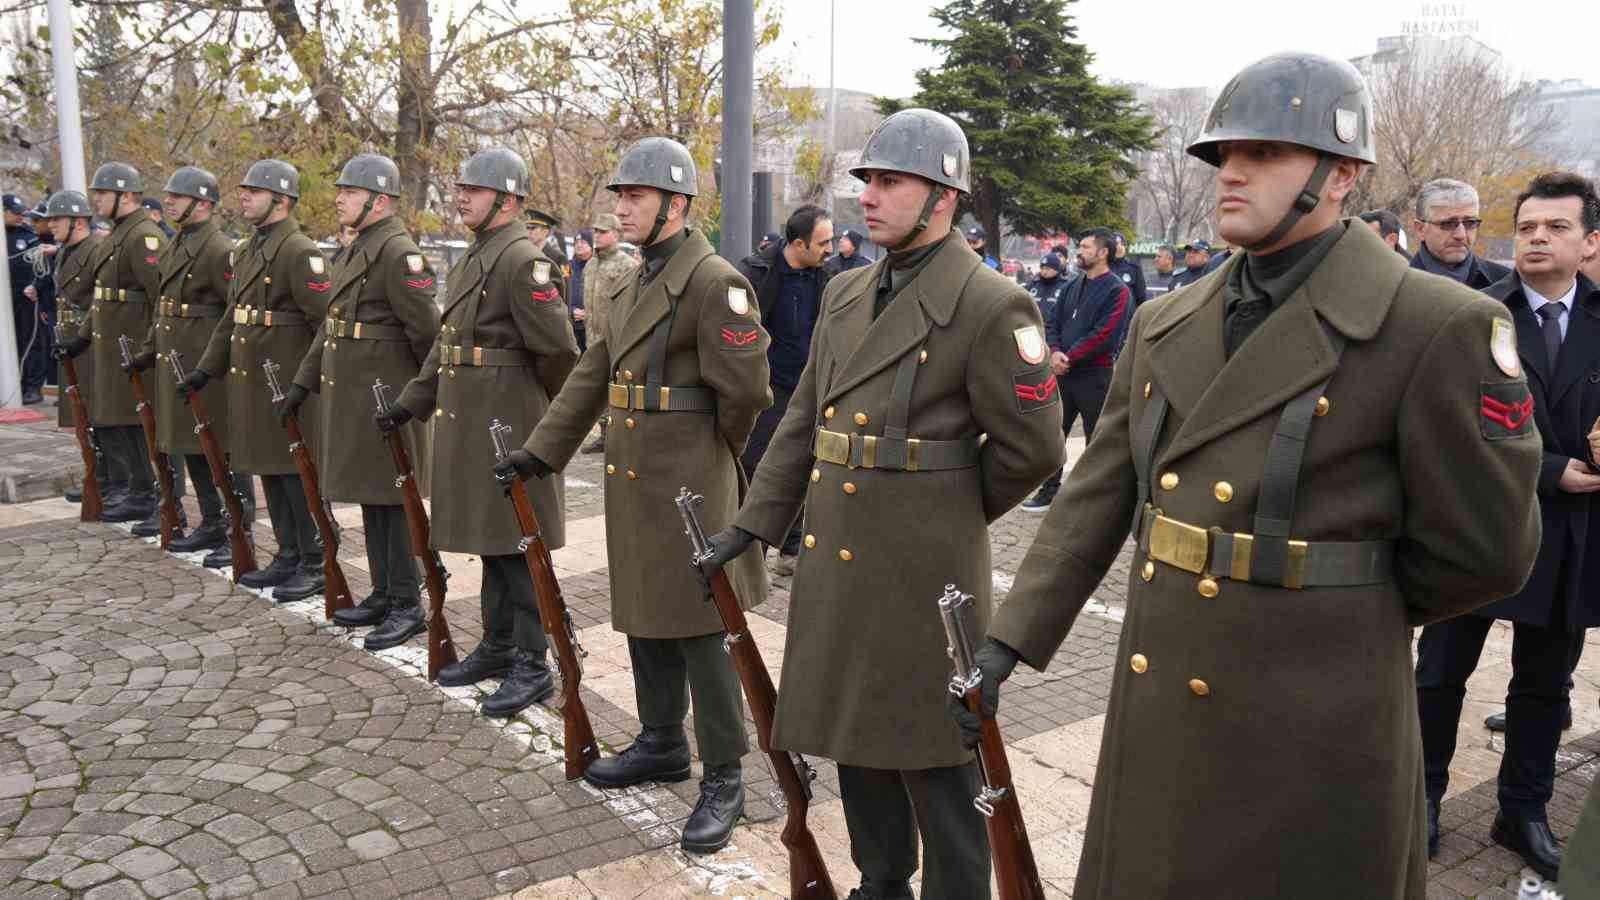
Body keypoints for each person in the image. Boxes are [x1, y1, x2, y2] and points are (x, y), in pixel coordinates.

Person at [964, 52, 1543, 900]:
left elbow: (1485, 551)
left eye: (1265, 153)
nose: (1230, 173)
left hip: (1316, 719)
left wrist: (1338, 602)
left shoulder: (1436, 325)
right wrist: (1007, 640)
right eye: (1223, 154)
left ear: (1343, 175)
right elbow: (1099, 492)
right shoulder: (1168, 320)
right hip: (1161, 701)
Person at [697, 107, 1063, 900]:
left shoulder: (990, 303)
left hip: (924, 573)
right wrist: (754, 524)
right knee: (854, 735)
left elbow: (1035, 449)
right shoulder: (847, 292)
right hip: (842, 557)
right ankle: (882, 881)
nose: (868, 196)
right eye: (867, 179)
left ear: (943, 197)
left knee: (937, 753)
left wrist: (944, 510)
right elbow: (803, 420)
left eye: (890, 181)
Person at [509, 136, 770, 854]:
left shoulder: (715, 281)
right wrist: (540, 451)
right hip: (634, 478)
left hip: (689, 481)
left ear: (677, 205)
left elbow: (746, 393)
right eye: (620, 196)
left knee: (700, 630)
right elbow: (594, 372)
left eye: (636, 196)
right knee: (644, 613)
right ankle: (660, 740)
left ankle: (724, 772)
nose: (622, 207)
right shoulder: (626, 279)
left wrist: (715, 457)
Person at [1415, 171, 1600, 880]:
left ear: (1589, 242)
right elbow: (1445, 423)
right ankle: (1425, 796)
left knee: (1544, 685)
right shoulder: (1474, 315)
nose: (1537, 239)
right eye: (1526, 228)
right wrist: (1551, 469)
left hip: (1574, 539)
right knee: (1440, 673)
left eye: (1555, 227)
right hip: (1479, 526)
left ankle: (1521, 809)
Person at [282, 154, 443, 653]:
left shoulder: (397, 253)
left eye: (349, 192)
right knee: (374, 503)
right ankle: (383, 591)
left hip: (387, 400)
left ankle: (408, 605)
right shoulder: (357, 250)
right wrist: (302, 384)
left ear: (379, 200)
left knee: (394, 506)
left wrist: (416, 402)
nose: (339, 199)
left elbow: (427, 336)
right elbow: (332, 329)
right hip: (356, 402)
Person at [190, 159, 330, 598]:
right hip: (258, 381)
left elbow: (325, 324)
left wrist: (305, 384)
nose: (244, 196)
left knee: (294, 473)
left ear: (282, 200)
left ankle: (315, 559)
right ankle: (288, 553)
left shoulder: (299, 250)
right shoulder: (249, 249)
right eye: (244, 189)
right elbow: (233, 317)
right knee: (272, 469)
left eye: (255, 190)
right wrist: (206, 368)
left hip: (290, 382)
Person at [132, 166, 252, 562]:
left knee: (221, 450)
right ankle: (213, 522)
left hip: (207, 365)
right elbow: (163, 306)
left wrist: (214, 364)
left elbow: (233, 310)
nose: (168, 202)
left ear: (203, 203)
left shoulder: (218, 248)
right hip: (178, 361)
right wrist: (148, 350)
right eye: (167, 195)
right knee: (192, 446)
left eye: (177, 197)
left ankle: (239, 526)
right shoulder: (178, 242)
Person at [55, 165, 165, 524]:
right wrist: (81, 339)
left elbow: (160, 299)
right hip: (112, 343)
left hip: (133, 346)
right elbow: (102, 299)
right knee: (119, 422)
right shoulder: (118, 235)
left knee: (137, 426)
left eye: (102, 193)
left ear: (127, 196)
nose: (96, 199)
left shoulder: (143, 236)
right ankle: (136, 490)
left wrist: (150, 348)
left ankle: (150, 495)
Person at [734, 204, 833, 576]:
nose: (830, 249)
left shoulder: (829, 278)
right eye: (823, 242)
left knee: (808, 467)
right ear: (797, 243)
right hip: (768, 392)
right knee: (758, 468)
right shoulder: (754, 274)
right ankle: (750, 553)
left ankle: (791, 551)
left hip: (811, 390)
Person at [1019, 228, 1131, 512]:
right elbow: (1053, 321)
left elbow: (1105, 333)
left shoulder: (1117, 290)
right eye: (1079, 246)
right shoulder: (1072, 285)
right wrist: (1054, 351)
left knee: (1097, 439)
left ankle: (1094, 499)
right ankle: (1049, 490)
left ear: (1103, 252)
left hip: (1094, 376)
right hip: (1062, 374)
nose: (1079, 251)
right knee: (1055, 434)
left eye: (1085, 246)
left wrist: (1069, 357)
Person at [43, 191, 112, 505]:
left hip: (90, 338)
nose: (51, 224)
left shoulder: (96, 250)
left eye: (57, 218)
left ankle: (111, 478)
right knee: (81, 414)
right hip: (70, 336)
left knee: (99, 414)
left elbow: (102, 301)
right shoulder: (65, 252)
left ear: (79, 221)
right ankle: (97, 473)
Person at [577, 213, 636, 455]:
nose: (597, 236)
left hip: (617, 338)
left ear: (616, 233)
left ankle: (620, 436)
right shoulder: (591, 264)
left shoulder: (627, 265)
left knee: (618, 388)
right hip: (593, 337)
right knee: (599, 388)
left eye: (603, 231)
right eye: (596, 231)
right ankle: (604, 435)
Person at [1409, 177, 1510, 289]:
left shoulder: (1506, 283)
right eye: (1448, 224)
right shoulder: (1396, 288)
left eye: (1470, 223)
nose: (1461, 235)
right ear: (1420, 229)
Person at [5, 193, 47, 405]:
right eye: (15, 213)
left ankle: (32, 387)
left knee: (30, 340)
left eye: (22, 213)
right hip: (4, 299)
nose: (20, 217)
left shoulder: (28, 236)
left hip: (25, 297)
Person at [1026, 251, 1071, 328]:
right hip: (1033, 329)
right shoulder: (1032, 285)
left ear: (1057, 269)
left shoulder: (1066, 286)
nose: (1044, 272)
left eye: (1048, 269)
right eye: (1042, 268)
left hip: (1053, 331)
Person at [1109, 231, 1149, 308]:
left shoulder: (1134, 268)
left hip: (1129, 316)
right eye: (1116, 244)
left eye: (1122, 244)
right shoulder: (1103, 267)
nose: (1119, 247)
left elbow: (1141, 298)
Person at [569, 228, 592, 352]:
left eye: (583, 242)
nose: (578, 245)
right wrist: (571, 311)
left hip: (592, 328)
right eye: (576, 242)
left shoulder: (597, 266)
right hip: (571, 327)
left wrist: (588, 313)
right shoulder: (566, 266)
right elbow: (559, 295)